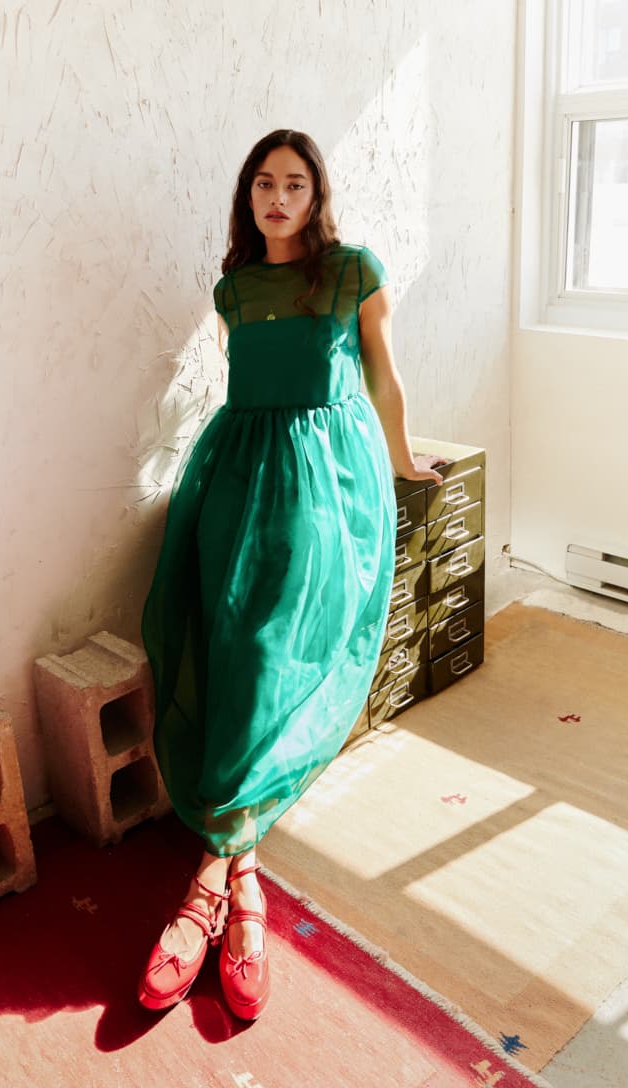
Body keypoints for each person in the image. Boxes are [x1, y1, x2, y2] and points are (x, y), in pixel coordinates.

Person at [138, 129, 444, 1021]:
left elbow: (383, 379)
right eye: (264, 184)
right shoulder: (233, 289)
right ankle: (243, 878)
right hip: (238, 472)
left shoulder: (352, 272)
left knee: (276, 650)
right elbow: (246, 387)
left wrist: (402, 460)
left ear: (317, 195)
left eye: (295, 184)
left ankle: (210, 884)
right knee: (231, 642)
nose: (278, 198)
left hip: (325, 477)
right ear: (249, 197)